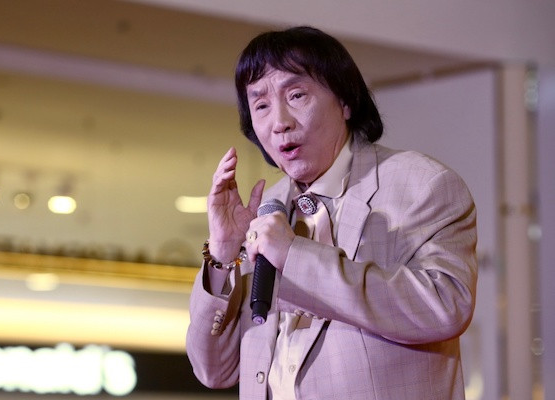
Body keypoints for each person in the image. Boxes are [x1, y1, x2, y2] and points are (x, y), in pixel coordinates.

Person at [186, 26, 477, 400]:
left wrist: (295, 256)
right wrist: (223, 252)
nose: (279, 122)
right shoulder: (266, 211)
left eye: (296, 95)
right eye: (261, 105)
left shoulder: (421, 184)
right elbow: (214, 370)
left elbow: (445, 308)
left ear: (345, 101)